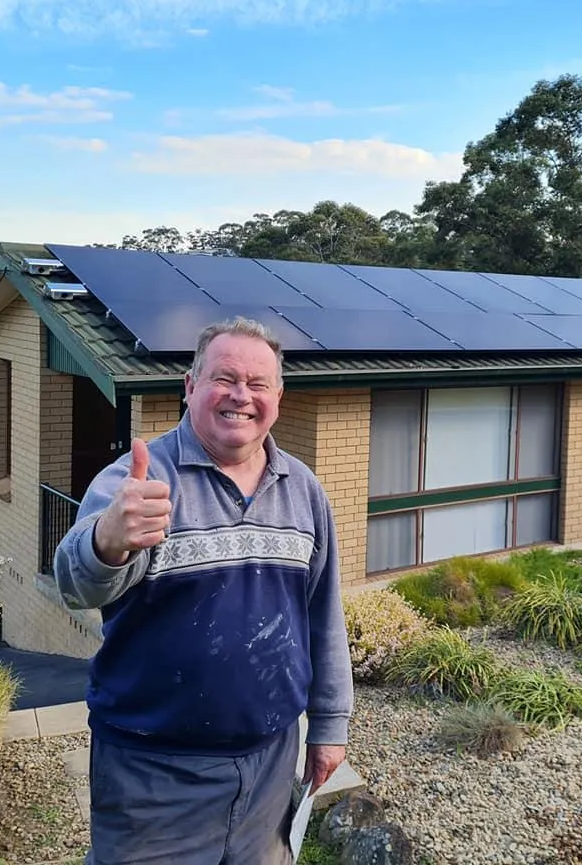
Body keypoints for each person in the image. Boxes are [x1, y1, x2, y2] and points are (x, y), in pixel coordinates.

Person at [55, 316, 354, 865]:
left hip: (269, 763)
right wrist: (107, 541)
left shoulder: (303, 490)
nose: (241, 396)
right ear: (190, 387)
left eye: (258, 384)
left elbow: (322, 616)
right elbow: (75, 586)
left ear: (278, 398)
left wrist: (329, 727)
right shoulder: (136, 483)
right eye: (224, 378)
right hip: (153, 776)